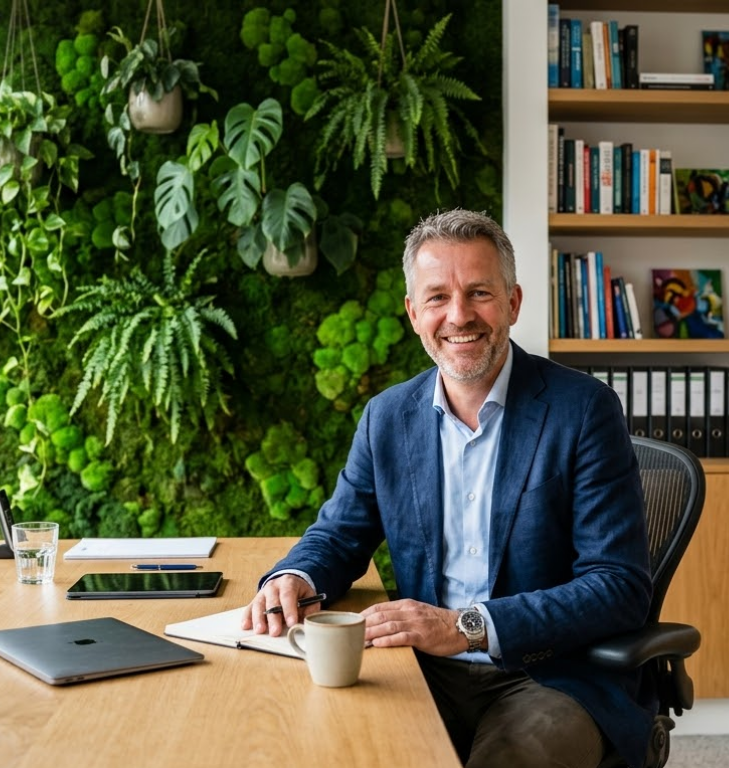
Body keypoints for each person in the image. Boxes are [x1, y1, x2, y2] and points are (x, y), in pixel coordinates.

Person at [242, 209, 654, 768]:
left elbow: (618, 586)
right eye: (437, 297)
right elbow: (338, 535)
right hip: (417, 668)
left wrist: (467, 627)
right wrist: (294, 577)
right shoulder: (387, 417)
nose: (459, 315)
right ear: (414, 313)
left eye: (479, 292)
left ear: (513, 303)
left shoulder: (583, 410)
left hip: (549, 675)